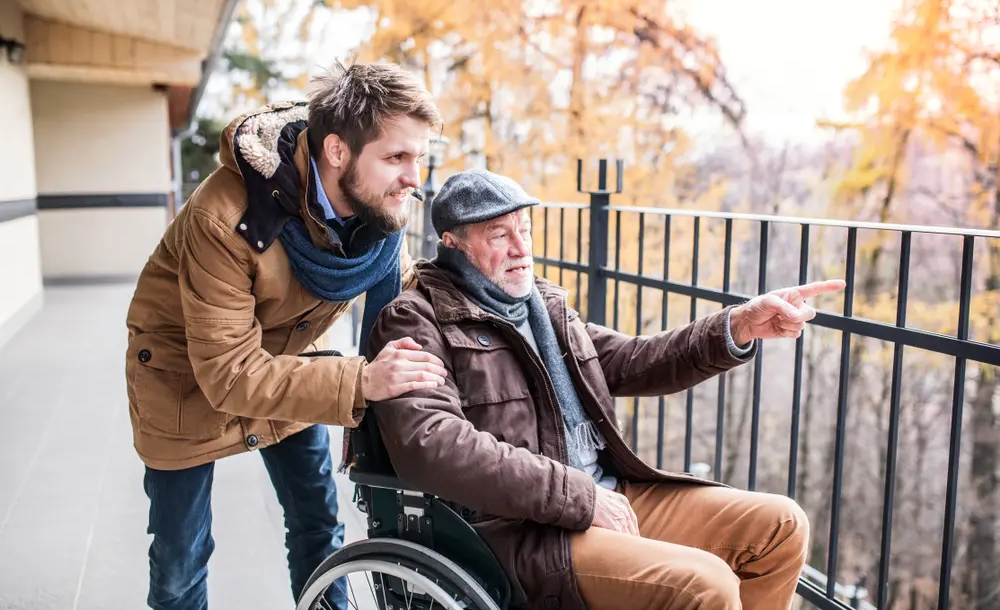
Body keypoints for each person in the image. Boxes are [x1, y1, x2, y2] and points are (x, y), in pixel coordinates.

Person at [365, 169, 847, 610]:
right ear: (453, 243)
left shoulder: (543, 311)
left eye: (524, 230)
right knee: (706, 585)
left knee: (780, 526)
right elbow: (434, 445)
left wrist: (738, 324)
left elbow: (637, 359)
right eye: (499, 235)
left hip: (607, 494)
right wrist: (580, 496)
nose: (520, 247)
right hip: (523, 532)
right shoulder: (415, 319)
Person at [124, 62, 450, 610]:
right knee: (182, 558)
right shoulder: (223, 219)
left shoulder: (375, 220)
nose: (414, 178)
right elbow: (228, 374)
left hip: (285, 362)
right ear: (338, 151)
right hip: (183, 375)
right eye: (396, 157)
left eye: (418, 157)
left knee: (319, 527)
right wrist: (362, 380)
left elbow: (401, 304)